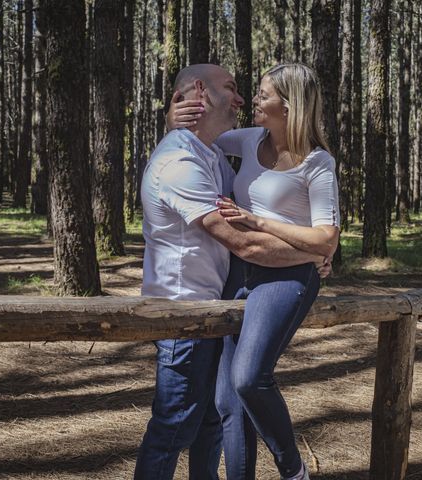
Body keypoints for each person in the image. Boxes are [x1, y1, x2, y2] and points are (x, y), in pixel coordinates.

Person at [135, 63, 328, 480]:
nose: (242, 99)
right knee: (172, 429)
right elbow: (245, 243)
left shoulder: (213, 155)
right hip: (180, 317)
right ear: (202, 91)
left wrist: (318, 239)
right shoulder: (179, 162)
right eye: (233, 88)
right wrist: (314, 250)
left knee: (208, 424)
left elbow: (257, 213)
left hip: (210, 312)